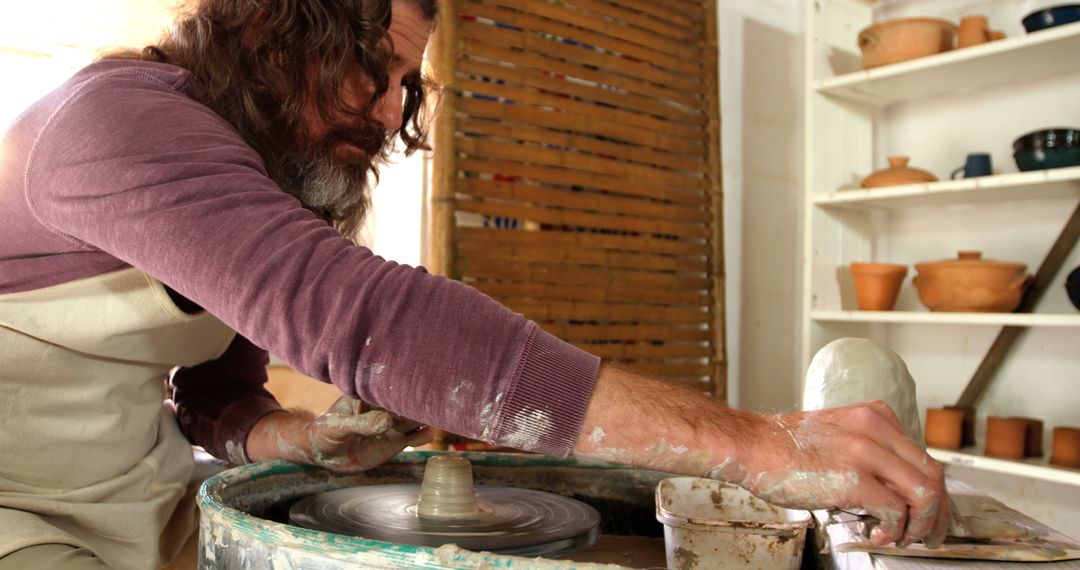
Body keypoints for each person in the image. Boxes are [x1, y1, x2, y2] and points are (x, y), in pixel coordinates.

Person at [0, 0, 950, 567]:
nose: (382, 109)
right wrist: (752, 441)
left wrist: (299, 437)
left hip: (143, 505)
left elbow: (212, 392)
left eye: (402, 84)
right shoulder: (110, 123)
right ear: (268, 28)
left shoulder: (263, 167)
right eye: (364, 67)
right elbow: (368, 319)